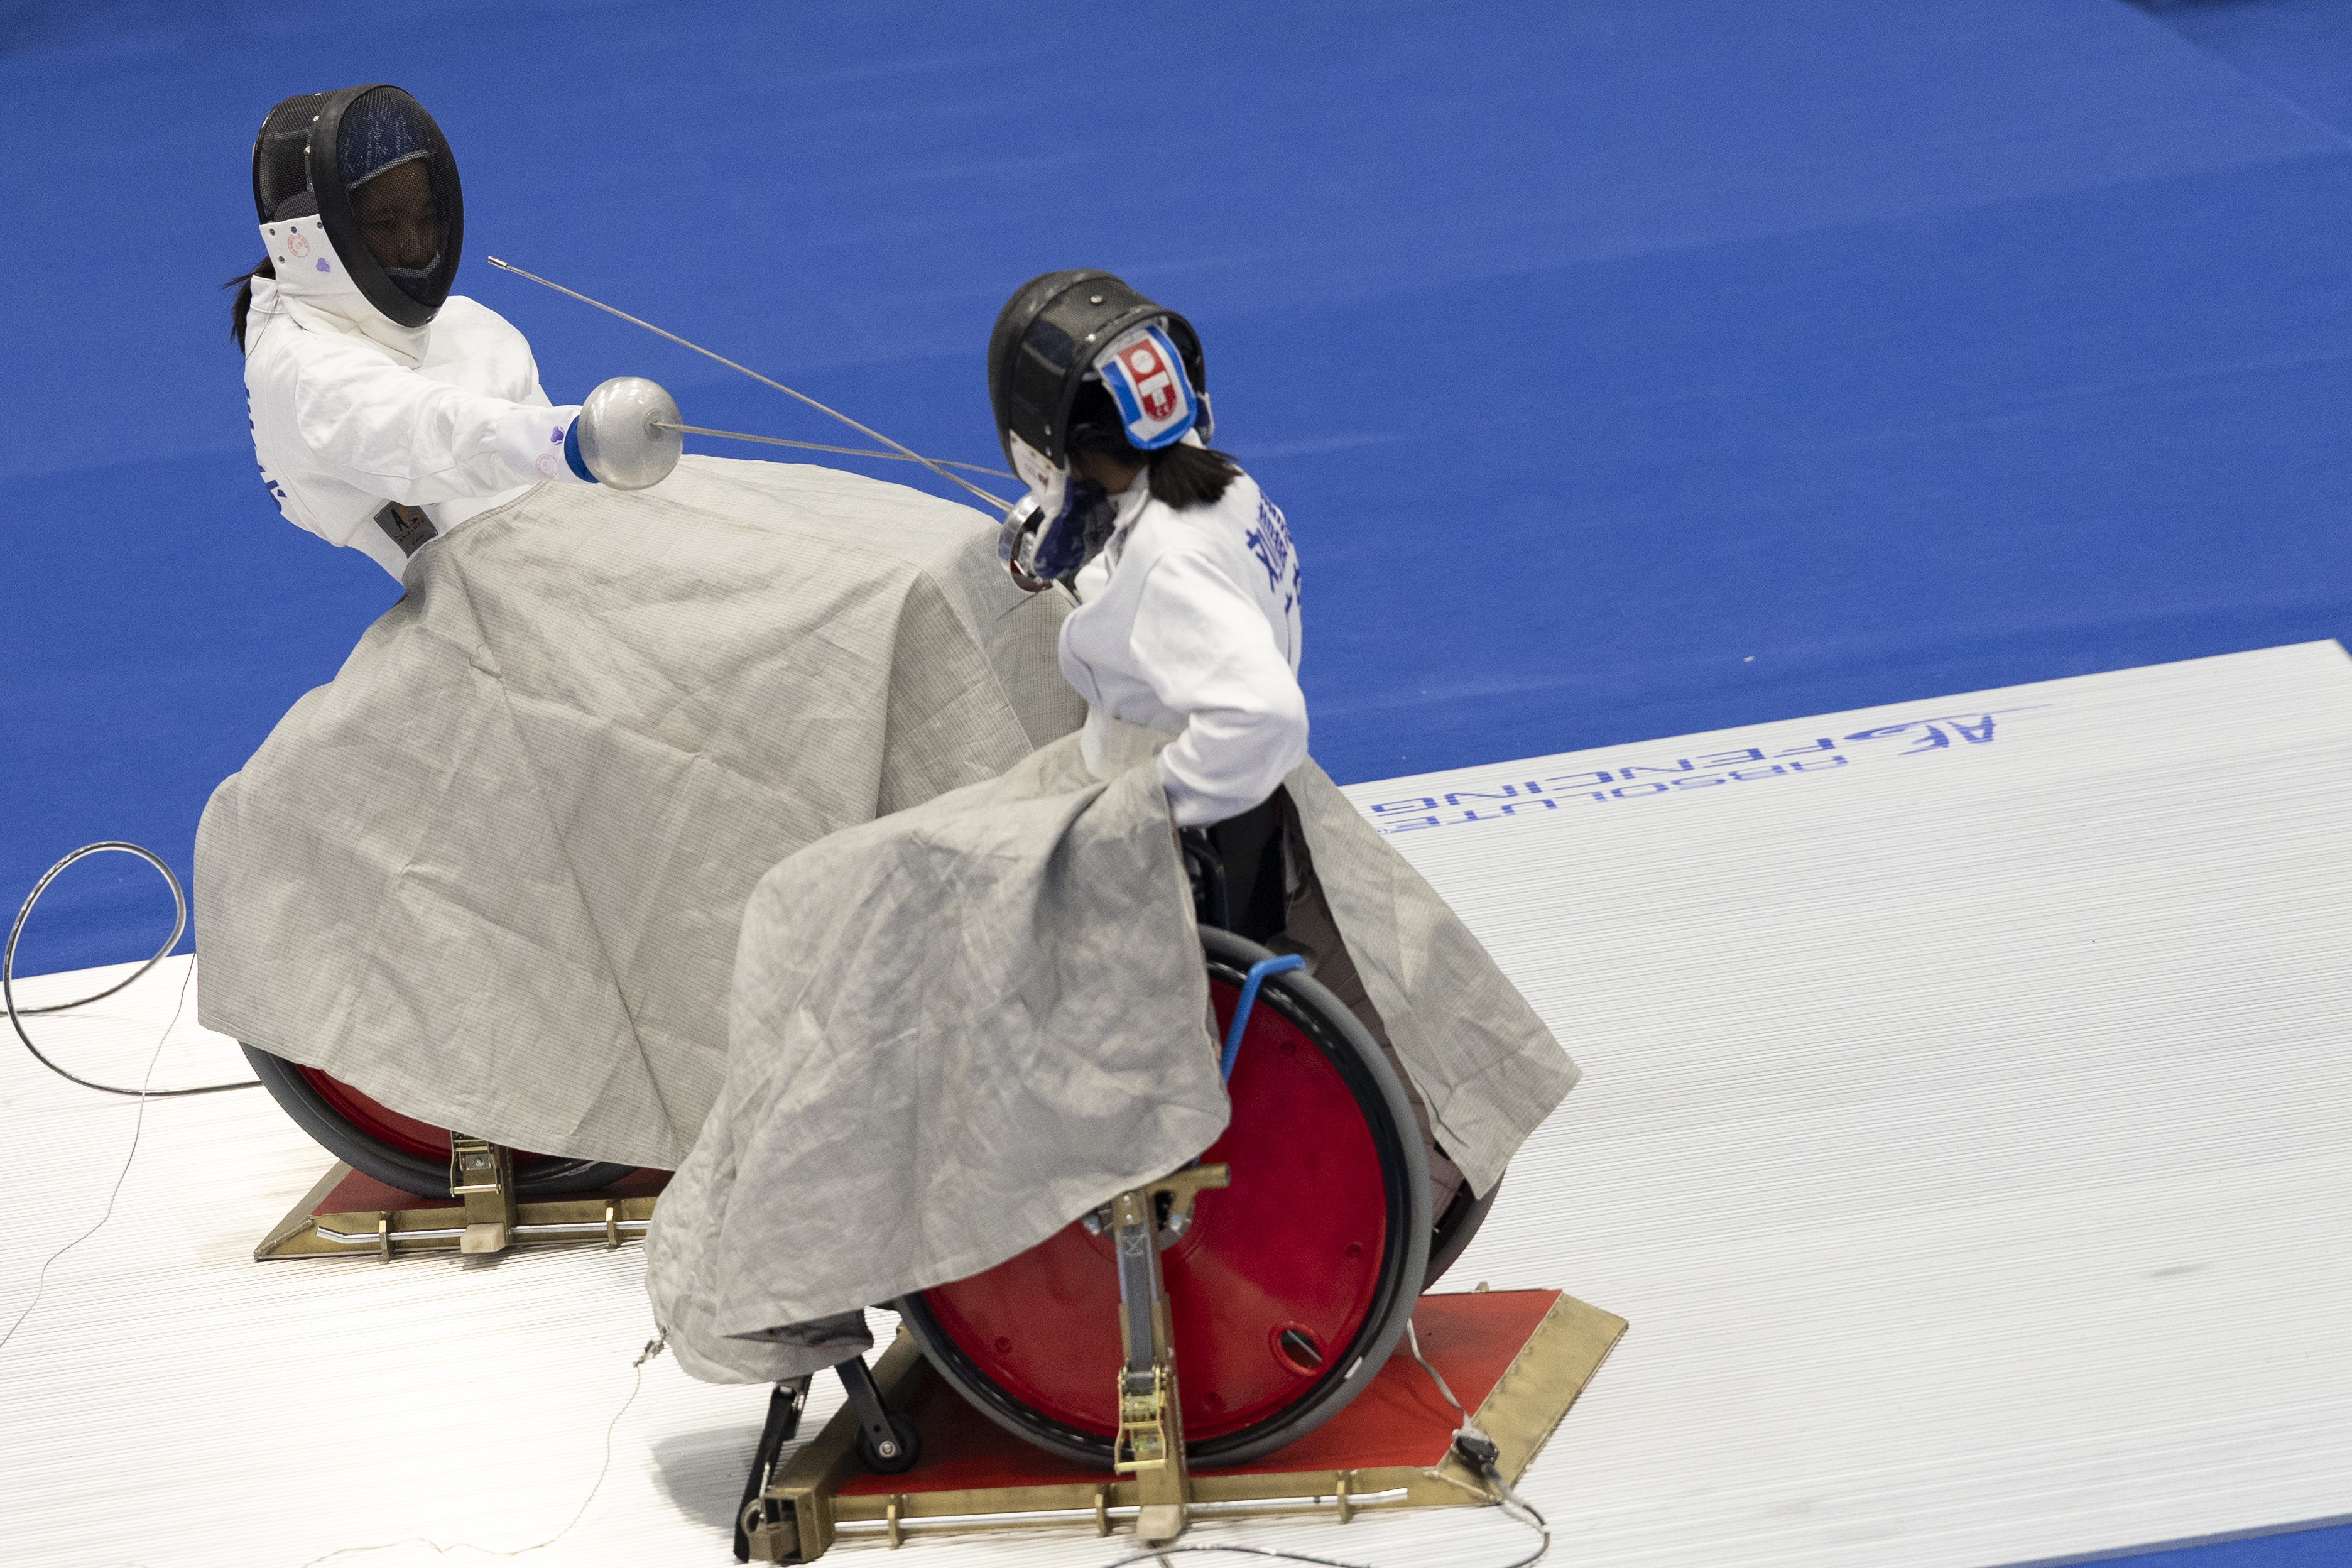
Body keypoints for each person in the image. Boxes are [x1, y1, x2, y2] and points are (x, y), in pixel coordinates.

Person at [645, 271, 1575, 1383]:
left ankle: (778, 1275)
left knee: (819, 905)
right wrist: (1067, 535)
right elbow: (1165, 580)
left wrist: (1146, 809)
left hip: (1128, 825)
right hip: (1138, 787)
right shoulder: (1219, 493)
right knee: (856, 886)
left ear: (1044, 443)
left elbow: (1258, 717)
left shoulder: (1167, 561)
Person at [233, 84, 608, 578]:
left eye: (427, 218)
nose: (415, 248)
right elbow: (418, 427)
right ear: (314, 236)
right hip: (477, 561)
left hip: (557, 520)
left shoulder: (465, 326)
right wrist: (569, 441)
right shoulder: (305, 373)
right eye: (386, 225)